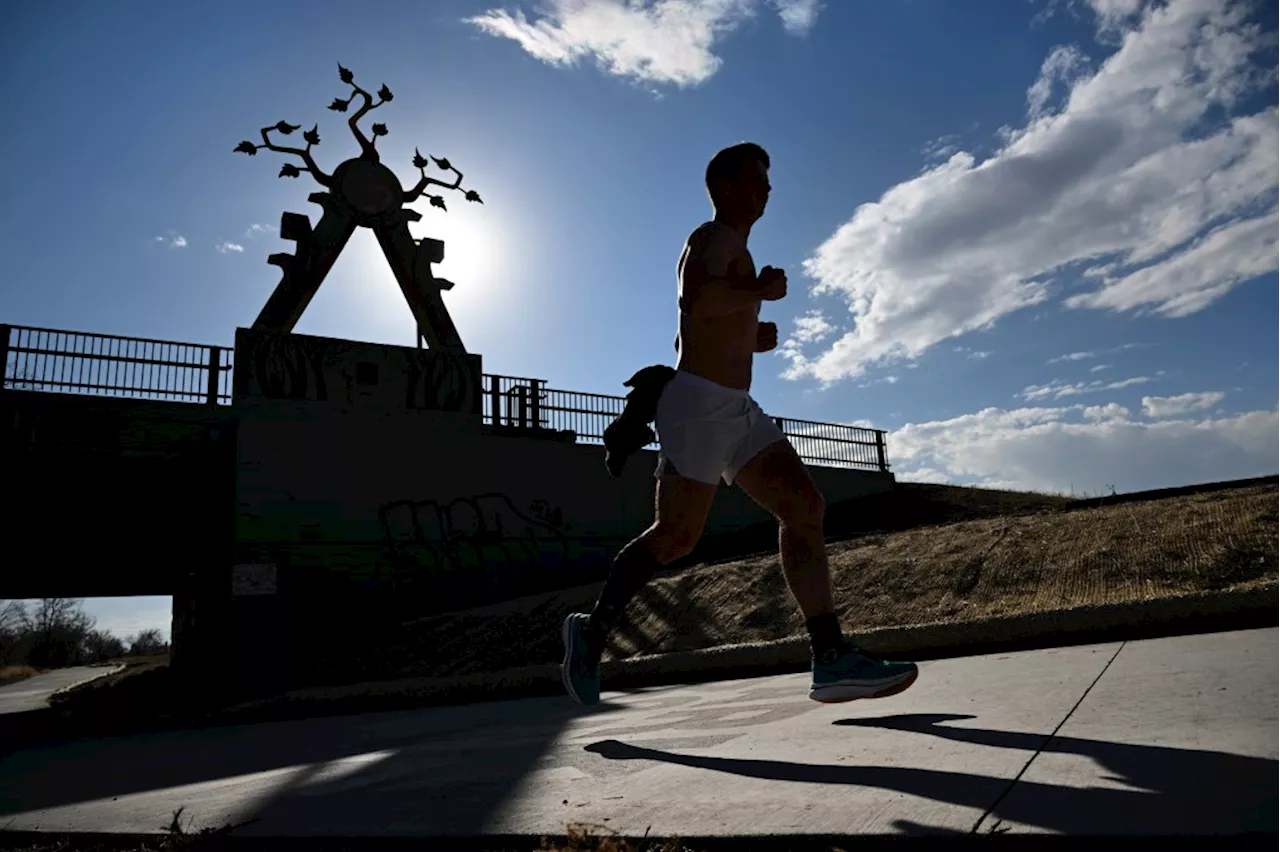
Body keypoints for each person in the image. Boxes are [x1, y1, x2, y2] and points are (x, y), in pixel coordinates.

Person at [561, 142, 919, 706]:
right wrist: (756, 293)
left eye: (768, 182)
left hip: (735, 406)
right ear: (726, 187)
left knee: (804, 507)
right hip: (698, 405)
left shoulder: (735, 249)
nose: (768, 191)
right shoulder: (711, 239)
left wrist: (749, 336)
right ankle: (593, 632)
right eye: (757, 180)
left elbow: (692, 334)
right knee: (676, 539)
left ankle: (830, 658)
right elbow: (697, 301)